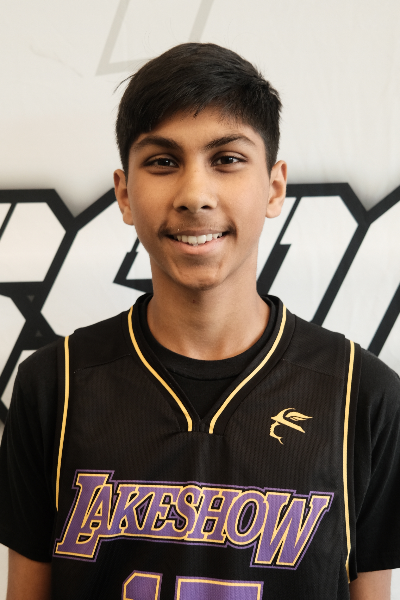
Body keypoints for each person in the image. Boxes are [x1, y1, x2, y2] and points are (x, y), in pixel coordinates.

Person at [1, 43, 399, 600]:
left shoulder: (364, 393)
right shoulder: (55, 385)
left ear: (274, 187)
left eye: (227, 159)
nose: (194, 195)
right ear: (124, 193)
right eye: (163, 162)